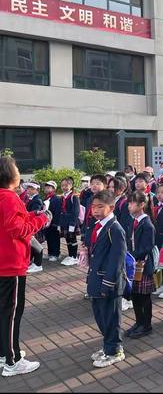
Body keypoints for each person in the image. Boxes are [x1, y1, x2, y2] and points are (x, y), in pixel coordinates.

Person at [0, 156, 51, 376]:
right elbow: (17, 229)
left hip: (5, 263)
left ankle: (5, 354)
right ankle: (13, 361)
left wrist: (32, 215)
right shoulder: (9, 197)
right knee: (12, 313)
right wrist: (41, 220)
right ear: (9, 173)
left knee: (4, 313)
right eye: (17, 167)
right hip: (11, 264)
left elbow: (15, 221)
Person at [85, 190, 127, 369]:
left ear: (111, 207)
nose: (95, 210)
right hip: (97, 279)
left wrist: (107, 283)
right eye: (93, 206)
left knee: (111, 317)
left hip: (109, 282)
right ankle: (108, 345)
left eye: (100, 206)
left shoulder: (115, 229)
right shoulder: (98, 225)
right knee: (101, 316)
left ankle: (115, 350)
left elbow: (117, 259)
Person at [125, 192, 156, 339]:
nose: (129, 205)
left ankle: (146, 325)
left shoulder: (147, 224)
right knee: (135, 295)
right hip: (133, 265)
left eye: (132, 203)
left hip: (142, 265)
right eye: (129, 203)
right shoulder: (133, 221)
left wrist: (131, 255)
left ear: (142, 205)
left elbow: (147, 247)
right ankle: (138, 322)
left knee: (144, 297)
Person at [59, 177, 80, 267]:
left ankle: (74, 257)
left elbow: (76, 211)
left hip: (71, 222)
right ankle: (70, 255)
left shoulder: (73, 197)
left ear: (71, 186)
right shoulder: (62, 197)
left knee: (72, 239)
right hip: (64, 222)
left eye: (66, 185)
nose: (64, 187)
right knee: (67, 239)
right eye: (62, 185)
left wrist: (73, 224)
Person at [43, 181, 62, 262]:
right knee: (49, 238)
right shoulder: (47, 198)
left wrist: (55, 223)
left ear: (53, 189)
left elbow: (57, 212)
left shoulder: (56, 198)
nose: (46, 188)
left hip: (54, 222)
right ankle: (50, 253)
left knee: (55, 238)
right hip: (47, 222)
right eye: (46, 187)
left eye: (49, 187)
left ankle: (56, 254)